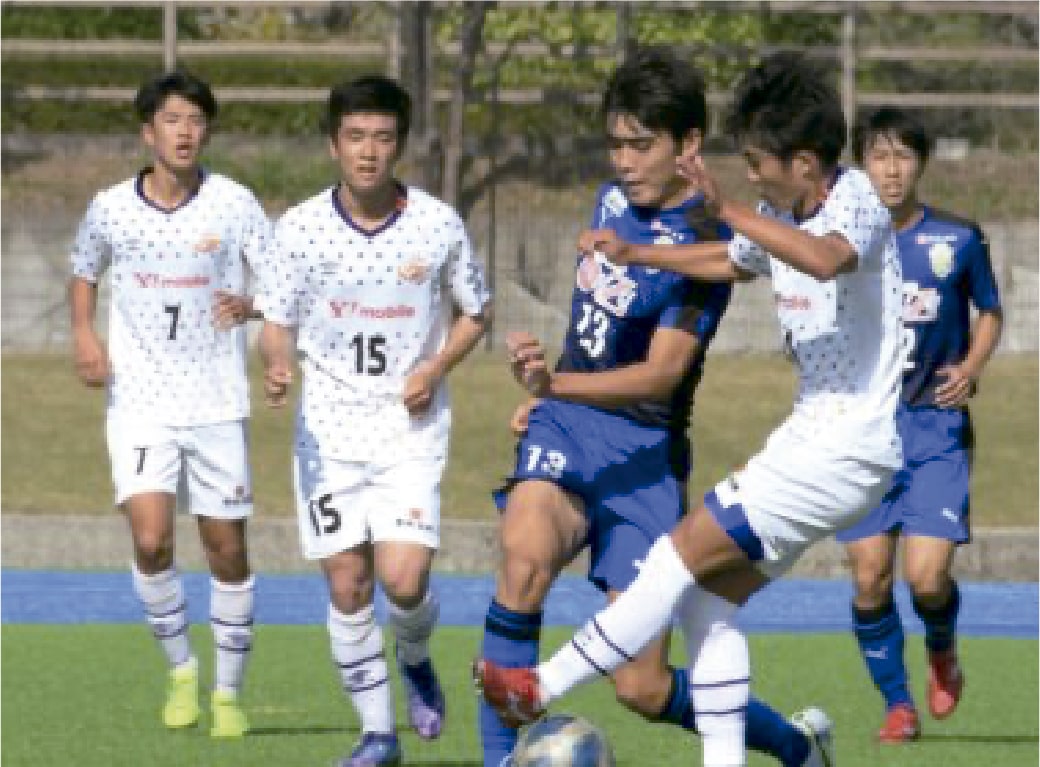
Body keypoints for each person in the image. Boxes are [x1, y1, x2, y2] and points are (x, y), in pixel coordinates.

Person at [476, 50, 906, 767]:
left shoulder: (854, 195)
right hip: (813, 437)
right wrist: (635, 254)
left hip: (842, 443)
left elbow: (827, 259)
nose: (752, 174)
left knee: (672, 562)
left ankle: (540, 684)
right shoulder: (773, 213)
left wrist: (723, 210)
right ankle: (777, 755)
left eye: (758, 161)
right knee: (707, 601)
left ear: (805, 162)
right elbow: (731, 260)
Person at [256, 75, 490, 767]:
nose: (368, 151)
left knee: (404, 580)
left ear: (400, 145)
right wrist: (277, 363)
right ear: (334, 144)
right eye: (355, 137)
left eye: (382, 138)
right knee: (347, 585)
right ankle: (378, 734)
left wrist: (435, 367)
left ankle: (414, 654)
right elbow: (276, 321)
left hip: (407, 431)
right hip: (327, 434)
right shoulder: (299, 228)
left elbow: (476, 313)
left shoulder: (436, 224)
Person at [69, 71, 270, 737]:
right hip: (141, 401)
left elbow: (281, 282)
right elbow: (83, 270)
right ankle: (182, 668)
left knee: (226, 549)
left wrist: (253, 307)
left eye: (196, 120)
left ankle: (228, 693)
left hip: (216, 403)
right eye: (172, 120)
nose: (185, 132)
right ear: (147, 132)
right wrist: (84, 335)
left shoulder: (234, 203)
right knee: (151, 539)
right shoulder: (111, 208)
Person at [832, 107, 1003, 743]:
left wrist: (972, 366)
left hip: (934, 426)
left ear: (920, 164)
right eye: (879, 156)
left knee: (926, 578)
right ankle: (898, 705)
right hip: (862, 430)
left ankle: (941, 644)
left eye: (903, 156)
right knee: (869, 576)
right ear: (861, 166)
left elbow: (989, 311)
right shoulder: (839, 245)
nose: (892, 169)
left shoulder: (957, 238)